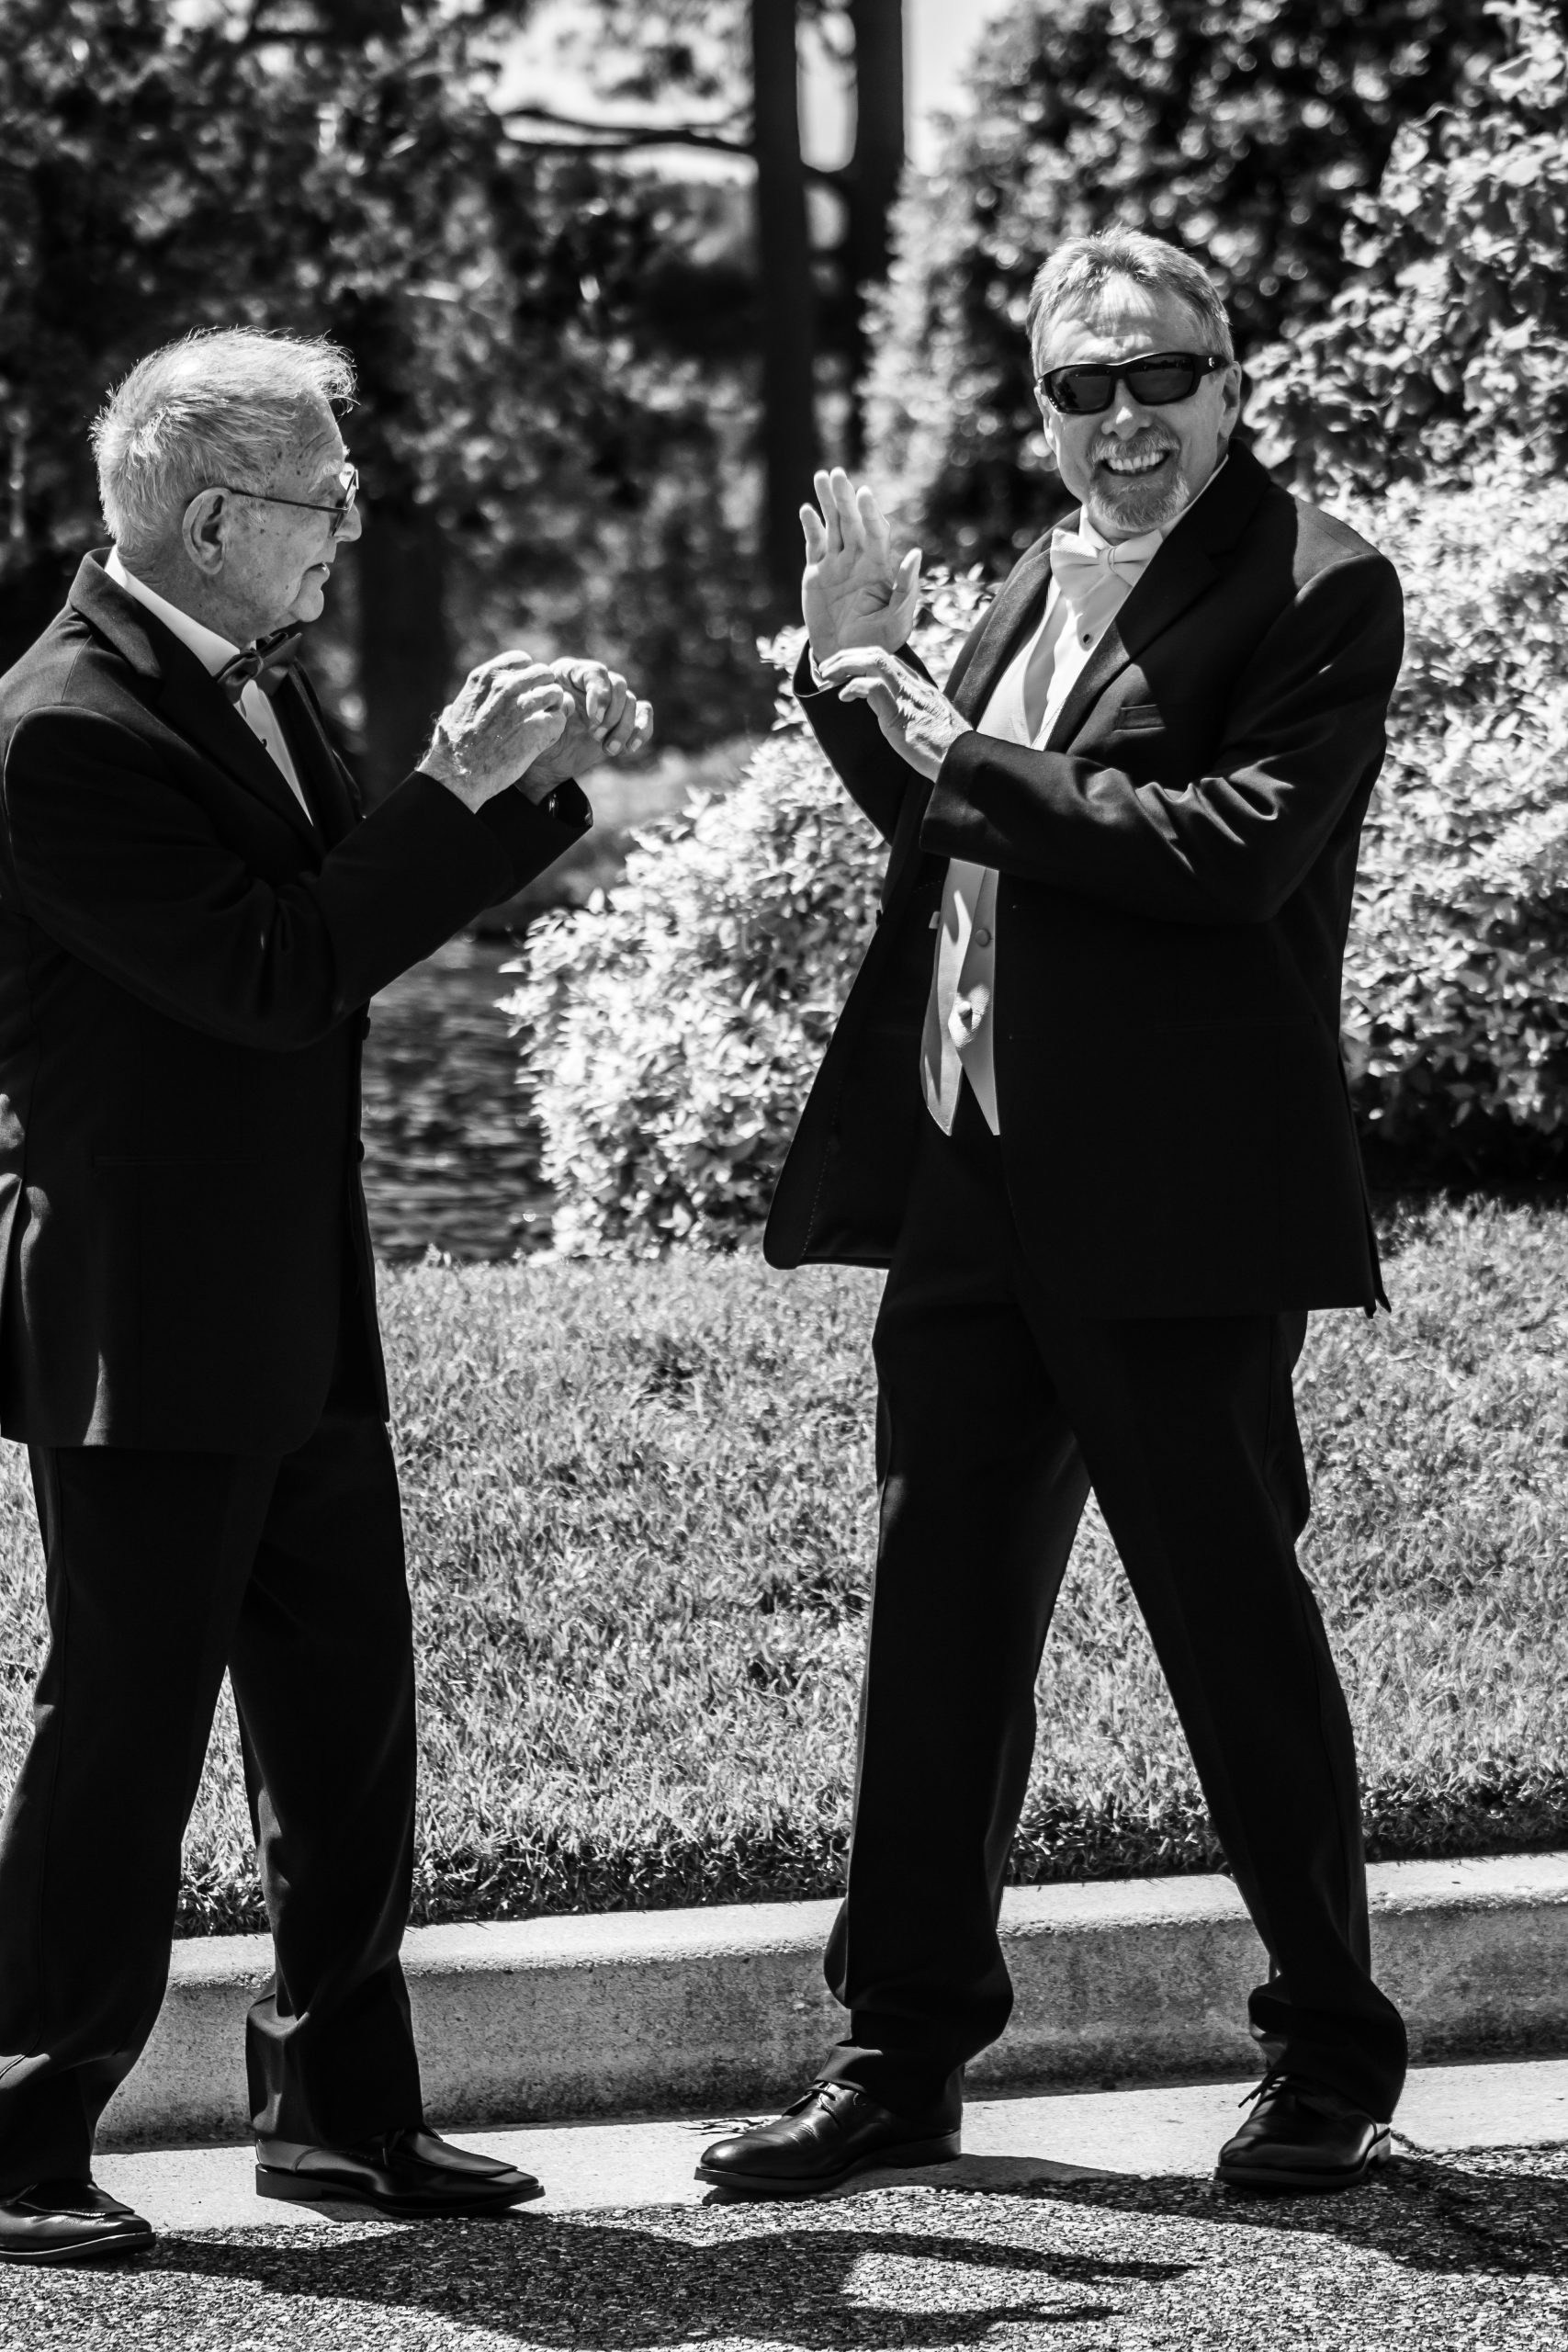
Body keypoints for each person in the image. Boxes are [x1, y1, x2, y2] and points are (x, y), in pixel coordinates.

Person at [699, 228, 1406, 2202]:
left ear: (1232, 379)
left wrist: (957, 742)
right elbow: (951, 822)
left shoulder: (1320, 582)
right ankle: (898, 2056)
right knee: (937, 1627)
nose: (1124, 418)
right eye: (1080, 387)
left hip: (1175, 1205)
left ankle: (1331, 2054)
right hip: (973, 1172)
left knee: (1229, 1627)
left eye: (1159, 374)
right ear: (1042, 409)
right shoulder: (1037, 576)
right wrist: (853, 675)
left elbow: (1230, 855)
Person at [0, 327, 651, 2265]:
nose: (345, 530)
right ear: (213, 518)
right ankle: (19, 2130)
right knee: (124, 1732)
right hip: (141, 1314)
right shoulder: (59, 730)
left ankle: (345, 2118)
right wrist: (453, 786)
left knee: (347, 1718)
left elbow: (337, 914)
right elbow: (277, 973)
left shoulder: (250, 673)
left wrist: (520, 788)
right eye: (325, 499)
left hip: (294, 1290)